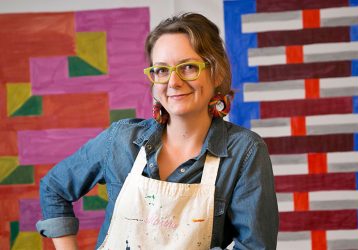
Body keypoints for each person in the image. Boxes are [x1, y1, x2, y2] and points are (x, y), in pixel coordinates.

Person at [36, 12, 279, 250]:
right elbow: (54, 188)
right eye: (162, 70)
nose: (173, 82)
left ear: (217, 73)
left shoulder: (244, 152)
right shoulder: (121, 140)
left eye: (188, 67)